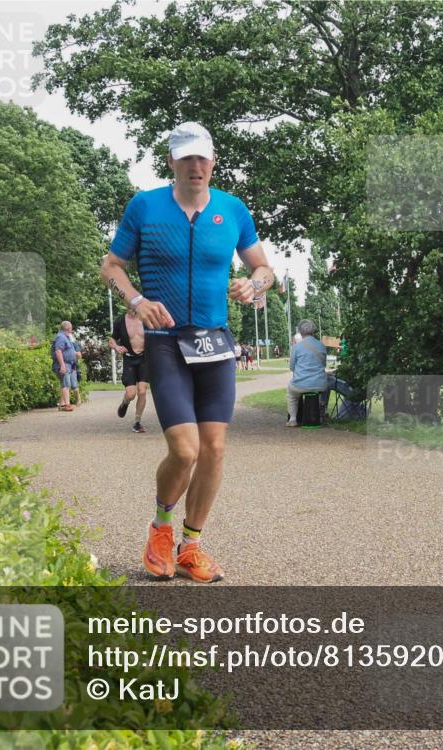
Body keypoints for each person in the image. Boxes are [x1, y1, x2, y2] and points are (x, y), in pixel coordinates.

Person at [100, 121, 274, 583]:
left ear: (213, 161)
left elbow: (263, 267)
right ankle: (160, 528)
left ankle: (191, 544)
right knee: (184, 449)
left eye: (203, 157)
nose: (195, 166)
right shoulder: (145, 207)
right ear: (171, 161)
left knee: (214, 449)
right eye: (186, 157)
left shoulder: (233, 210)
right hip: (165, 343)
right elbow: (111, 265)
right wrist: (136, 301)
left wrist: (253, 284)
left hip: (215, 342)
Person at [109, 306, 149, 433]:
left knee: (142, 391)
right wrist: (116, 346)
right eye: (130, 306)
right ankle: (125, 402)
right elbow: (111, 339)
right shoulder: (120, 321)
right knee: (131, 394)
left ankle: (137, 422)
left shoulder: (146, 320)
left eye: (135, 307)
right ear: (126, 306)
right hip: (129, 359)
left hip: (144, 359)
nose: (133, 309)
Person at [286, 319, 329, 427]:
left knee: (291, 392)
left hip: (300, 384)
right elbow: (323, 364)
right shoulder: (321, 346)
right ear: (313, 331)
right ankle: (321, 413)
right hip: (320, 384)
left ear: (300, 332)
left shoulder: (296, 347)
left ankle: (293, 419)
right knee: (322, 389)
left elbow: (291, 367)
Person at [52, 322, 78, 412]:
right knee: (66, 384)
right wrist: (62, 365)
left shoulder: (65, 337)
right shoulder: (61, 337)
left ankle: (62, 404)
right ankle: (67, 405)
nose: (72, 329)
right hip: (63, 364)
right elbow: (58, 351)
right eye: (71, 327)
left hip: (68, 364)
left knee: (66, 384)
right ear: (68, 328)